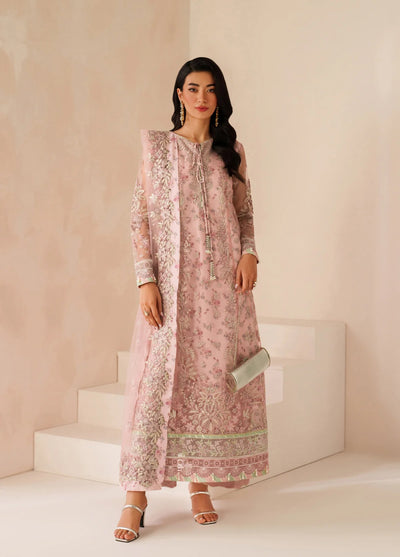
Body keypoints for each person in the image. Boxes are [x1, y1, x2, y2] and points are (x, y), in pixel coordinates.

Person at [114, 57, 269, 542]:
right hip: (173, 288)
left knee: (212, 382)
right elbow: (139, 218)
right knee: (156, 384)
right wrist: (146, 280)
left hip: (223, 292)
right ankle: (135, 496)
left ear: (219, 97)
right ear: (179, 94)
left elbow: (245, 214)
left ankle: (200, 486)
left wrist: (250, 254)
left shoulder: (231, 151)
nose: (202, 97)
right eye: (193, 88)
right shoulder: (159, 149)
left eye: (211, 89)